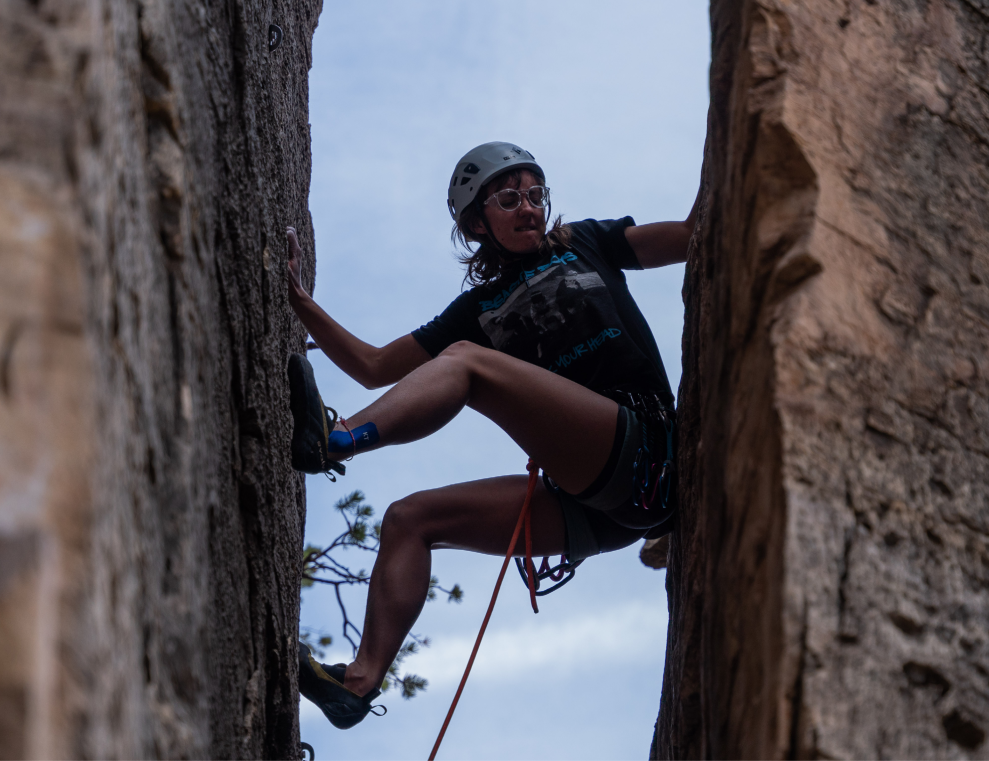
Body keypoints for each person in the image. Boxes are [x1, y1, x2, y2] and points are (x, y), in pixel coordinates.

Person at [284, 142, 692, 730]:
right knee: (408, 519)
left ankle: (338, 440)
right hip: (594, 504)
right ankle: (356, 683)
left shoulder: (585, 242)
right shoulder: (474, 309)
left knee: (468, 363)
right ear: (479, 222)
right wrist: (301, 303)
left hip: (645, 446)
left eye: (535, 195)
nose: (528, 207)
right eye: (509, 198)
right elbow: (375, 365)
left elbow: (687, 235)